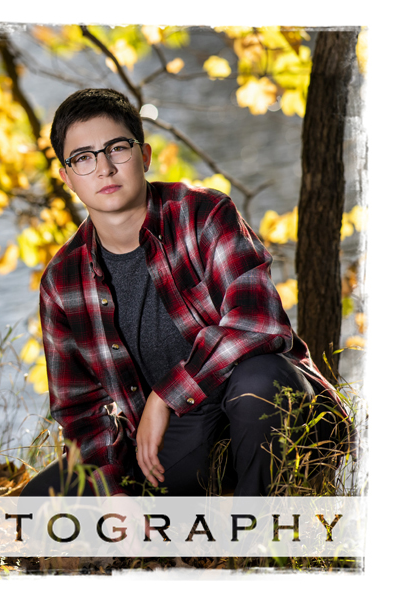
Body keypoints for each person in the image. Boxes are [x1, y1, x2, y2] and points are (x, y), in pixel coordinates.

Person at [20, 88, 349, 498]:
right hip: (174, 442)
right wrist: (113, 498)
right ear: (67, 177)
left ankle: (253, 540)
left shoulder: (204, 215)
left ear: (145, 156)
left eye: (117, 148)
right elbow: (79, 409)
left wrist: (165, 394)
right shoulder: (62, 281)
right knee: (36, 505)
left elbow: (258, 325)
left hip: (264, 414)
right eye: (83, 158)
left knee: (258, 379)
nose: (104, 168)